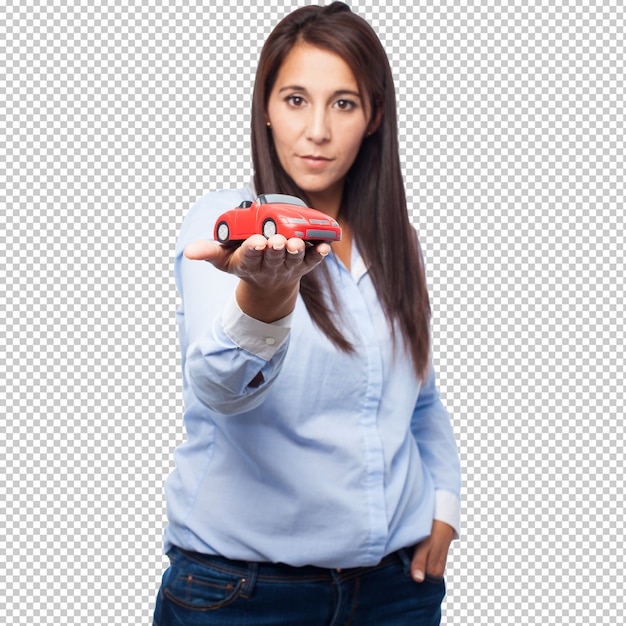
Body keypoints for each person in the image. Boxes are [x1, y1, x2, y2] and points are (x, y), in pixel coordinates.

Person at [153, 3, 461, 625]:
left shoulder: (397, 241)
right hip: (243, 596)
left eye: (343, 103)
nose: (317, 129)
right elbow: (218, 389)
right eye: (296, 99)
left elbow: (420, 401)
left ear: (374, 116)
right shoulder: (223, 226)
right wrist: (263, 305)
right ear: (265, 107)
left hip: (395, 593)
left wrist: (444, 508)